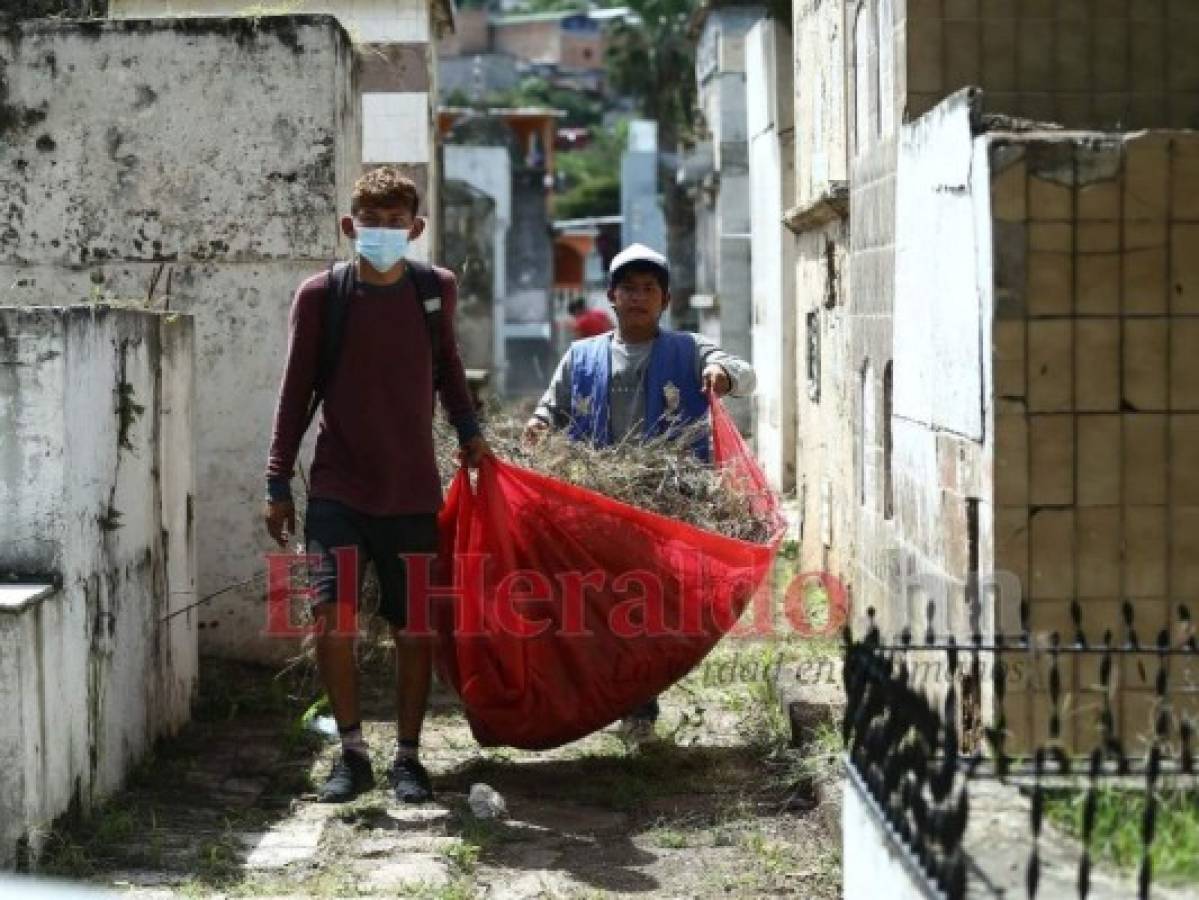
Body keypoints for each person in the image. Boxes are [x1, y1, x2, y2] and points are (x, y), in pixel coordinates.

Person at [265, 167, 490, 804]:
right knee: (332, 618)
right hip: (339, 488)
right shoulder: (321, 296)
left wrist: (470, 430)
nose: (383, 232)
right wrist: (276, 479)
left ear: (415, 229)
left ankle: (410, 759)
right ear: (349, 226)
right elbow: (294, 392)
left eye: (396, 222)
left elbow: (448, 366)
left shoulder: (433, 289)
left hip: (414, 490)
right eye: (372, 221)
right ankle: (353, 753)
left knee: (414, 625)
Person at [523, 242, 755, 744]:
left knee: (647, 608)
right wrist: (539, 425)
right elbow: (552, 407)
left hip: (666, 504)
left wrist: (723, 375)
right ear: (611, 295)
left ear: (665, 300)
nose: (638, 297)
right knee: (601, 607)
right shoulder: (582, 356)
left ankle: (639, 707)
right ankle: (610, 699)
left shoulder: (688, 350)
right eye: (628, 288)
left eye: (649, 289)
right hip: (597, 501)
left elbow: (743, 374)